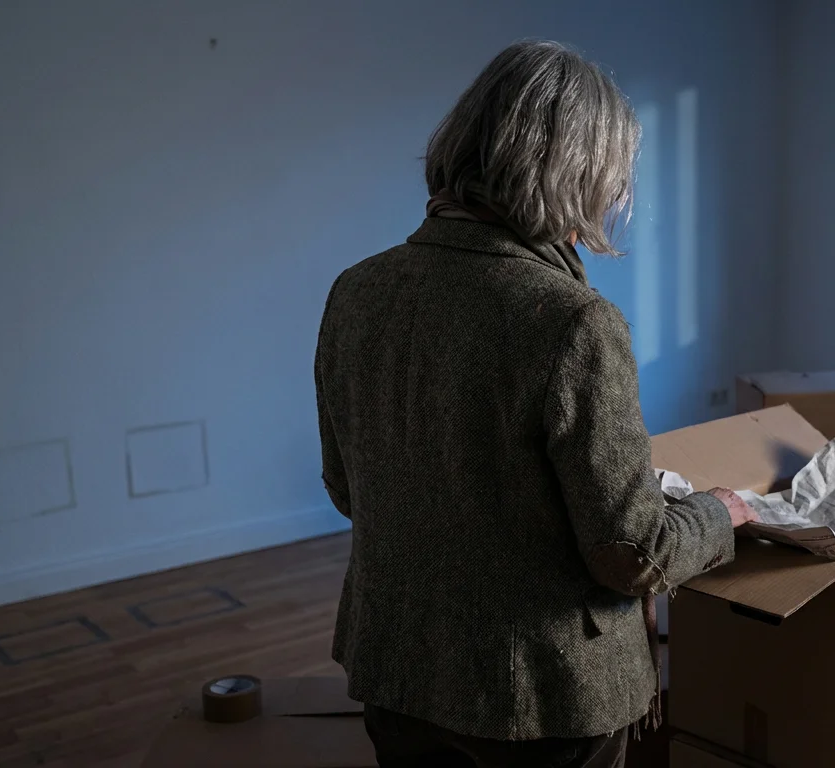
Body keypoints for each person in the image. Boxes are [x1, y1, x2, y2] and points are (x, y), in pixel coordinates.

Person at [313, 40, 757, 768]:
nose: (618, 200)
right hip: (541, 701)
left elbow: (347, 491)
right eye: (615, 179)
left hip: (395, 669)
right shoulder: (572, 322)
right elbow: (631, 555)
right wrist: (720, 512)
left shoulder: (357, 291)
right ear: (576, 175)